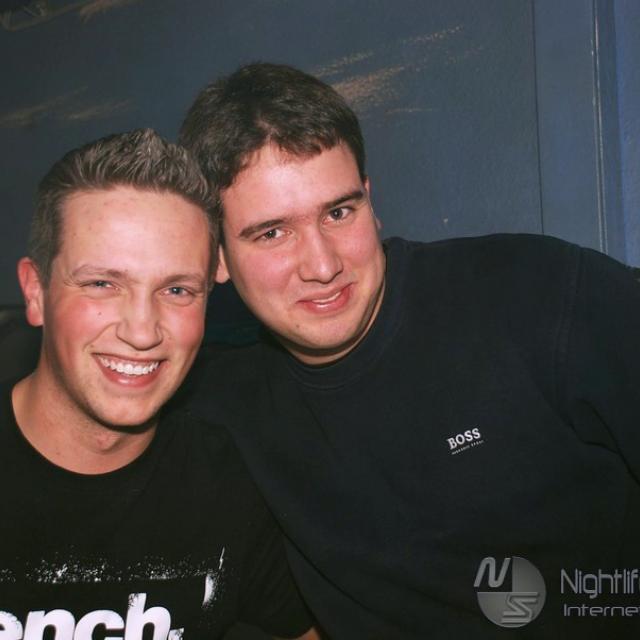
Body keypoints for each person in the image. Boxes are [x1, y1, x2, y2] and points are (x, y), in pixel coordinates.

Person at [179, 63, 640, 639]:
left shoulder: (536, 292)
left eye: (338, 212)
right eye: (273, 233)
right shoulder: (215, 408)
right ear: (216, 257)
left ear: (370, 202)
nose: (322, 264)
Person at [0, 128, 317, 640]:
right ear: (36, 292)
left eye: (177, 290)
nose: (142, 331)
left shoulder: (230, 483)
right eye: (103, 284)